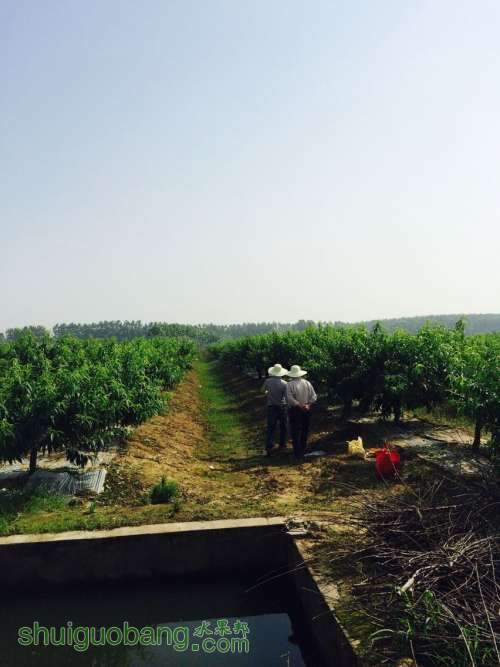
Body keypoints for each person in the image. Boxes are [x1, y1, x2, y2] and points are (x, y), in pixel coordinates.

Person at [285, 365, 317, 459]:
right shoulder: (307, 383)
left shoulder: (289, 384)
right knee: (305, 429)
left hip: (295, 410)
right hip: (306, 409)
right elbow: (314, 396)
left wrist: (298, 405)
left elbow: (289, 398)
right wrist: (308, 405)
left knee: (295, 431)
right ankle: (303, 448)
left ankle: (297, 452)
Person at [262, 363, 289, 457]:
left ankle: (269, 447)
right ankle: (282, 445)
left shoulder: (268, 381)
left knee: (271, 427)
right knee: (283, 427)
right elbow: (286, 396)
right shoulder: (284, 383)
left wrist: (268, 392)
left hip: (271, 407)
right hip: (282, 407)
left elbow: (262, 391)